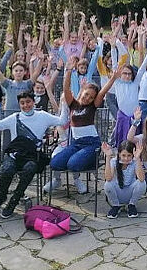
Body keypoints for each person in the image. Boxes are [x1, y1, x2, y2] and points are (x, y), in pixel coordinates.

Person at [0, 80, 68, 218]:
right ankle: (0, 198)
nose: (25, 105)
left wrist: (64, 102)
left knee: (30, 168)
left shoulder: (43, 116)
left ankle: (14, 200)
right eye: (22, 103)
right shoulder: (14, 118)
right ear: (19, 104)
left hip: (31, 156)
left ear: (33, 102)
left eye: (28, 102)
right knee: (7, 169)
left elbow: (62, 121)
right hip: (14, 155)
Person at [48, 55, 125, 194]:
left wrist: (113, 78)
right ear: (82, 91)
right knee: (55, 163)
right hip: (76, 144)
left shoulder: (92, 107)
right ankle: (72, 167)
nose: (88, 98)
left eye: (91, 97)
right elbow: (66, 90)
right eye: (86, 94)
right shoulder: (73, 104)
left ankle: (91, 159)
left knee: (73, 164)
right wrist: (69, 71)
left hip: (91, 143)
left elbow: (102, 92)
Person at [103, 140, 147, 218]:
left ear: (132, 155)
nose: (126, 158)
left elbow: (141, 178)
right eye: (123, 155)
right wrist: (108, 157)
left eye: (129, 155)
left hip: (130, 192)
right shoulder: (113, 161)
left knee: (142, 183)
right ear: (119, 154)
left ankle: (132, 204)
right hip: (117, 192)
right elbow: (108, 178)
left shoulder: (134, 162)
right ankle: (115, 206)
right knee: (108, 184)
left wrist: (137, 159)